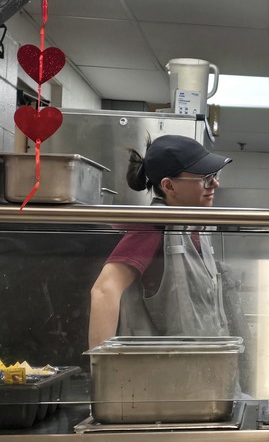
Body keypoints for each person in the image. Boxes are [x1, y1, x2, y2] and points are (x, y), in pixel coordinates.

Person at [88, 134, 233, 347]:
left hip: (198, 360)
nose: (215, 184)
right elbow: (104, 290)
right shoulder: (154, 226)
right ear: (169, 186)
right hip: (160, 363)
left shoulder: (195, 227)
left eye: (214, 175)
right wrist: (101, 364)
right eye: (204, 178)